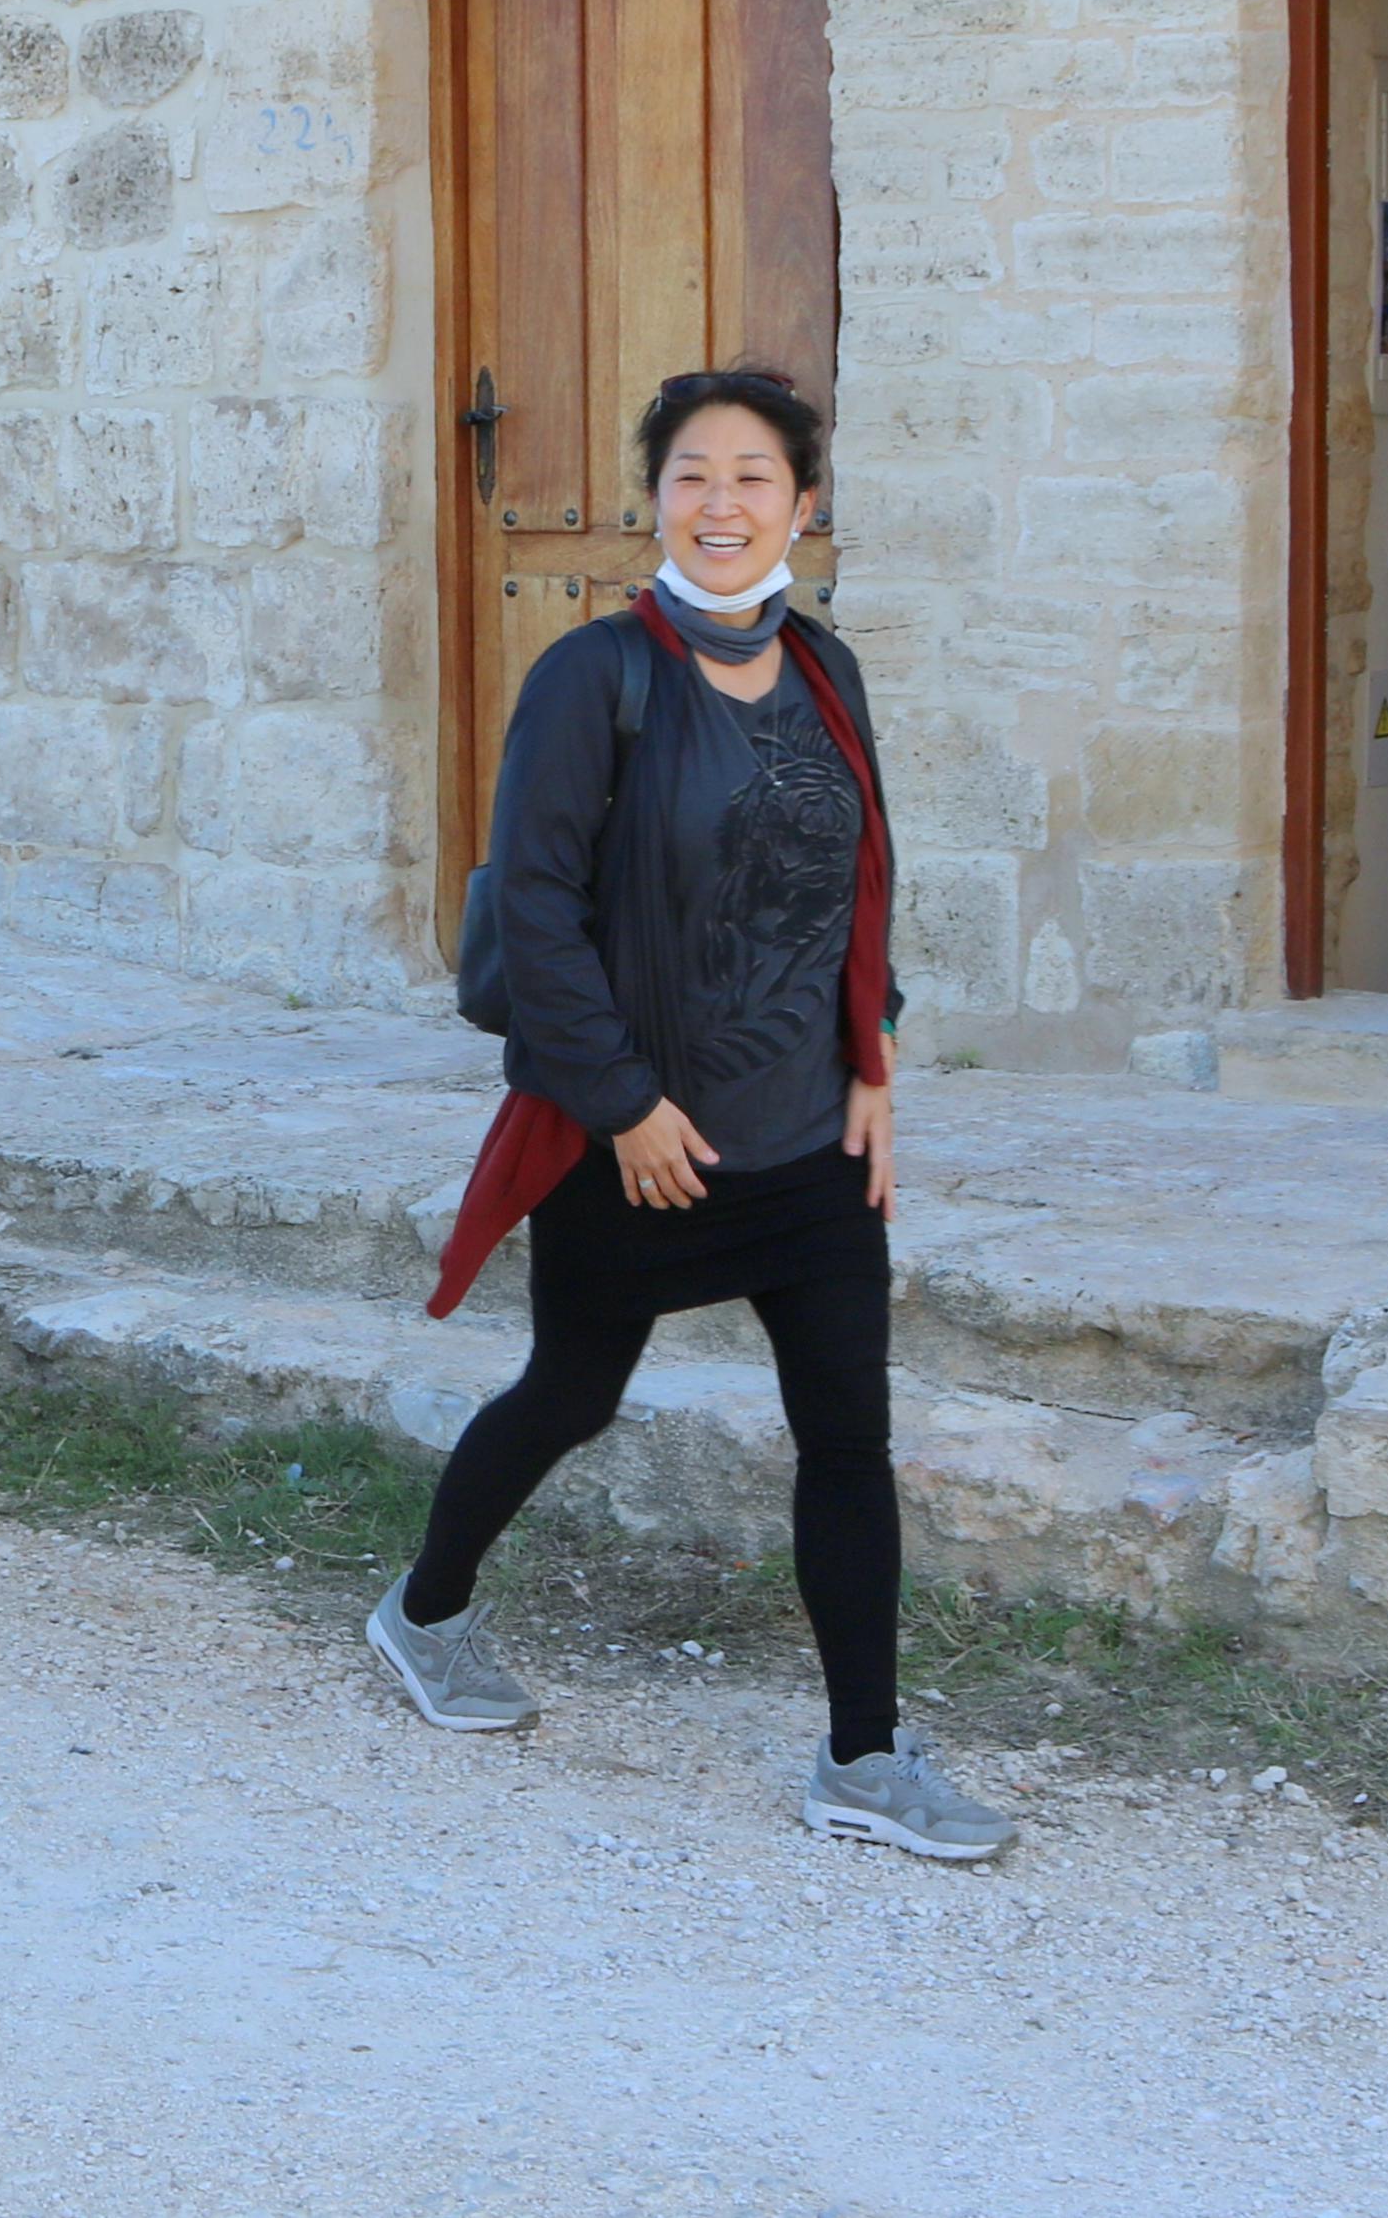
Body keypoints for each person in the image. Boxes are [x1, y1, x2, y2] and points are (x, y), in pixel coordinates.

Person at [380, 367, 1018, 1864]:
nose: (718, 502)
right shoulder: (591, 675)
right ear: (652, 496)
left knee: (844, 1435)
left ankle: (859, 1754)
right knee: (570, 1394)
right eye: (688, 474)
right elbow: (530, 908)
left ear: (800, 503)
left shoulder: (824, 669)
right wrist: (617, 1104)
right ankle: (422, 1612)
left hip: (806, 1130)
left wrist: (873, 1048)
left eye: (750, 476)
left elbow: (855, 876)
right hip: (636, 1140)